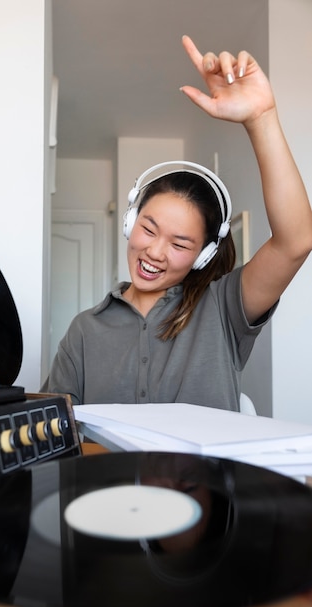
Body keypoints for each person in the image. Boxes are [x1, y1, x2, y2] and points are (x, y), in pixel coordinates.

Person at [39, 35, 312, 411]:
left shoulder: (224, 308)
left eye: (180, 244)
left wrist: (260, 118)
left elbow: (295, 241)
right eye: (148, 229)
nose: (154, 251)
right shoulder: (85, 331)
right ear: (130, 221)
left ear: (203, 256)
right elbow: (50, 430)